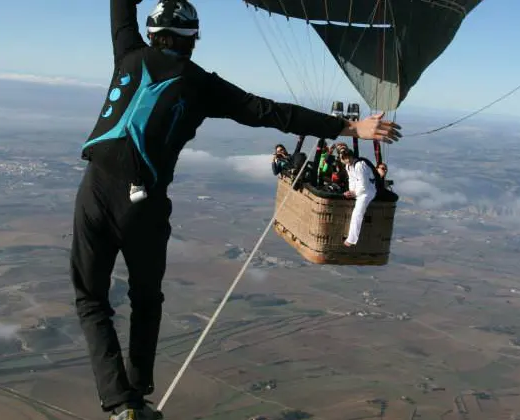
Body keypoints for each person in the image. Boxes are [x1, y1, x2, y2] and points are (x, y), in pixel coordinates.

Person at [70, 1, 402, 419]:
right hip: (145, 204)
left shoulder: (128, 54)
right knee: (146, 298)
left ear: (153, 33)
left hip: (95, 189)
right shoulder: (202, 85)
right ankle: (134, 399)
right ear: (193, 41)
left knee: (91, 300)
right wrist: (349, 128)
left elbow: (120, 7)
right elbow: (270, 112)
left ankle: (120, 400)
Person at [339, 147, 378, 247]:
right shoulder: (349, 166)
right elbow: (351, 180)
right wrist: (351, 191)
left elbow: (364, 184)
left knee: (357, 213)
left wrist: (355, 193)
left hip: (367, 192)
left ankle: (351, 239)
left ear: (348, 157)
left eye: (343, 158)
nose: (342, 160)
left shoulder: (360, 165)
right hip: (358, 190)